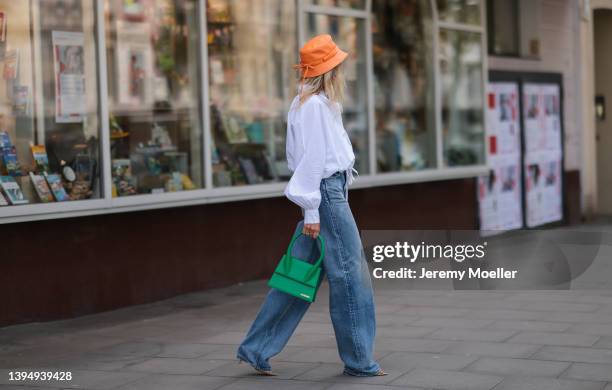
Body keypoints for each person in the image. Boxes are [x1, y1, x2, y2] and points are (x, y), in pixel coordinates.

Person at [236, 34, 386, 377]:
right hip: (325, 196)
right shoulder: (314, 106)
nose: (343, 71)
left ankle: (256, 348)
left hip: (326, 194)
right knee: (351, 276)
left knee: (298, 276)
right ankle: (359, 359)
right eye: (339, 66)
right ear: (329, 71)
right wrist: (312, 209)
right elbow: (311, 161)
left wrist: (313, 207)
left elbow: (302, 158)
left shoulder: (310, 103)